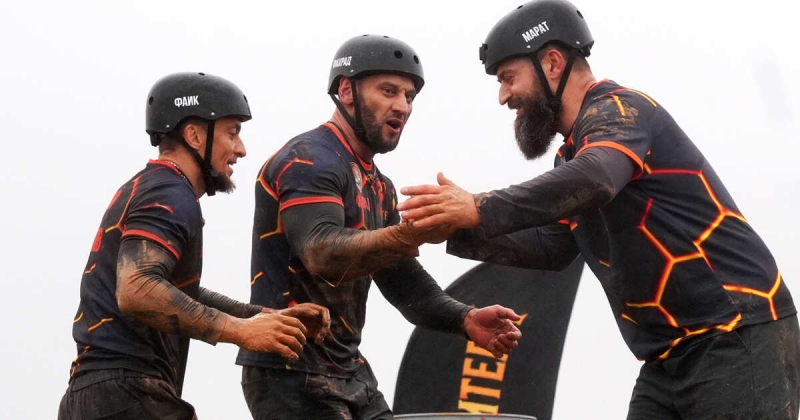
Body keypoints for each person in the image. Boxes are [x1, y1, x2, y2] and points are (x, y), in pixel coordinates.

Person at [396, 1, 800, 419]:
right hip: (667, 357)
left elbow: (596, 178)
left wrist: (478, 206)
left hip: (736, 332)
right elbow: (552, 246)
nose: (503, 97)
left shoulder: (620, 111)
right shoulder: (574, 155)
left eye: (508, 78)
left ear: (553, 63)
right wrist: (452, 227)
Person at [236, 34, 522, 420]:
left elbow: (403, 283)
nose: (402, 106)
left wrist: (465, 318)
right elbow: (322, 253)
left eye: (409, 96)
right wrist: (408, 234)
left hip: (349, 369)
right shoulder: (309, 160)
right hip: (289, 369)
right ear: (346, 91)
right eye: (388, 91)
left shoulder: (379, 186)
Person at [58, 72, 331, 420]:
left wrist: (262, 317)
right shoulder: (171, 192)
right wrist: (240, 332)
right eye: (232, 133)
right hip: (129, 394)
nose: (241, 149)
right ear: (194, 135)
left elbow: (172, 292)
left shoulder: (147, 186)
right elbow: (137, 289)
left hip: (95, 396)